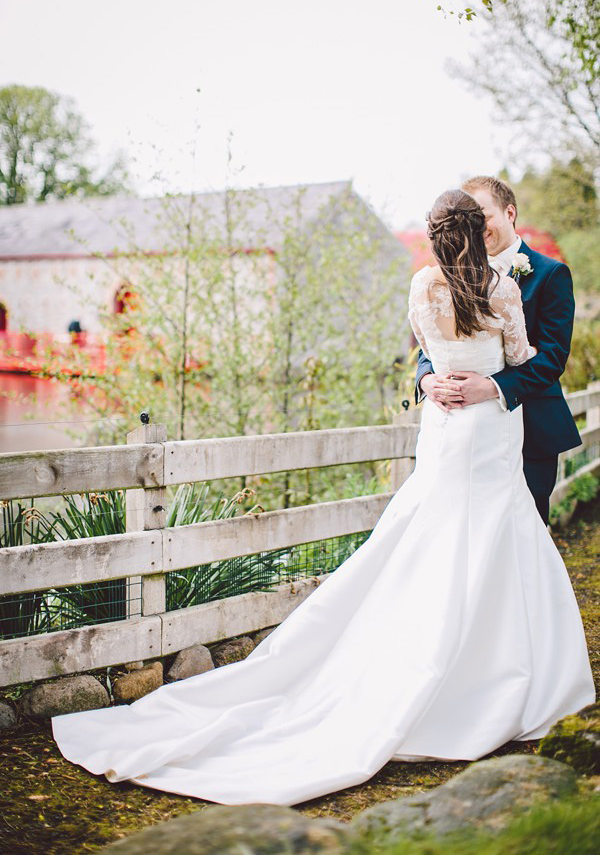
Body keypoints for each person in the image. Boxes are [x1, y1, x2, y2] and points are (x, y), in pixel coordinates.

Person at [51, 189, 595, 808]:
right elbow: (456, 354)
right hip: (472, 429)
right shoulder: (498, 287)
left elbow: (546, 361)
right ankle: (477, 683)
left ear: (505, 218)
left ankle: (492, 670)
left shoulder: (473, 280)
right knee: (459, 547)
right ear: (479, 227)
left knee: (486, 544)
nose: (491, 231)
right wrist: (435, 379)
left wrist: (484, 383)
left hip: (480, 431)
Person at [416, 176, 581, 525]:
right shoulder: (441, 279)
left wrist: (492, 387)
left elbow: (551, 359)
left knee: (524, 532)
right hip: (461, 434)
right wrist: (427, 380)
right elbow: (431, 344)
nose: (476, 226)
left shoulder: (551, 274)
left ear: (509, 212)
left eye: (483, 215)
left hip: (530, 429)